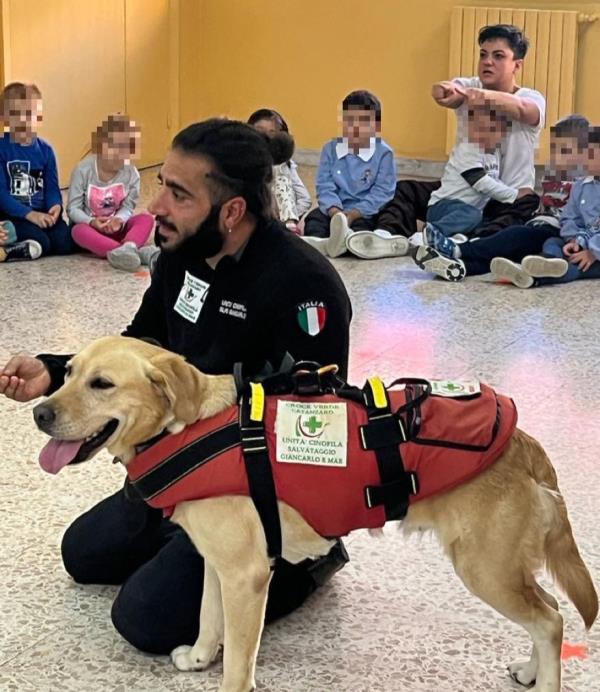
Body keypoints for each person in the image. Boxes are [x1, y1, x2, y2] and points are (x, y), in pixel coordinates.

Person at [0, 118, 352, 656]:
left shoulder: (304, 284)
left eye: (178, 193)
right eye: (161, 183)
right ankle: (182, 534)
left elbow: (318, 420)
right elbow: (141, 343)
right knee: (83, 556)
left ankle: (308, 562)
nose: (156, 206)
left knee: (143, 618)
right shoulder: (179, 254)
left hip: (258, 495)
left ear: (232, 211)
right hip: (180, 467)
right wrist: (55, 369)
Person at [370, 24, 545, 257]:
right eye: (483, 54)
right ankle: (387, 237)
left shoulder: (530, 97)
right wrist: (443, 90)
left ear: (517, 65)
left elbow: (524, 110)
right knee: (404, 189)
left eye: (498, 56)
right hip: (468, 192)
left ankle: (468, 246)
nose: (487, 61)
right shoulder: (469, 86)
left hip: (507, 196)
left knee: (526, 206)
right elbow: (447, 93)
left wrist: (482, 96)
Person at [413, 114, 589, 281]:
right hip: (539, 224)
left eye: (564, 151)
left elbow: (582, 218)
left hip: (556, 232)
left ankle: (457, 249)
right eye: (554, 149)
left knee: (514, 236)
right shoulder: (553, 177)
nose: (556, 157)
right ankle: (460, 267)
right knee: (505, 248)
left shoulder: (585, 184)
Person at [491, 125, 600, 288]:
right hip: (581, 241)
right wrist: (573, 240)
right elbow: (570, 217)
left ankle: (534, 276)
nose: (584, 159)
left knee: (577, 268)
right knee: (553, 242)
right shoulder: (581, 186)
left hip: (596, 252)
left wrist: (593, 252)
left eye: (591, 154)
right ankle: (545, 262)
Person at [302, 90, 402, 258]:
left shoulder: (384, 153)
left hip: (363, 212)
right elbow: (324, 185)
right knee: (314, 220)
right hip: (334, 210)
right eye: (349, 120)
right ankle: (323, 243)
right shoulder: (330, 149)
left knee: (363, 230)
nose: (355, 128)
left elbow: (383, 191)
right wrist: (335, 213)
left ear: (375, 125)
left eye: (363, 122)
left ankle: (348, 243)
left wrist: (353, 214)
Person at [68, 114, 155, 272]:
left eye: (126, 148)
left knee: (146, 219)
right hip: (92, 229)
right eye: (114, 146)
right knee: (77, 231)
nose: (119, 154)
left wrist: (119, 220)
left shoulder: (131, 173)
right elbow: (73, 209)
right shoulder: (83, 170)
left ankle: (128, 247)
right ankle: (127, 252)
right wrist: (91, 222)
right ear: (100, 145)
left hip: (117, 228)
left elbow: (128, 207)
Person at [0, 82, 73, 256]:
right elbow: (1, 194)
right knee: (43, 242)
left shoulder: (46, 150)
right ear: (4, 117)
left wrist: (55, 206)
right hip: (15, 215)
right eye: (17, 114)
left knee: (65, 243)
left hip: (41, 212)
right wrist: (29, 214)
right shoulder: (2, 148)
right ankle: (9, 252)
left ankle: (31, 244)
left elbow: (52, 188)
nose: (25, 120)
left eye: (30, 114)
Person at [248, 108, 311, 231]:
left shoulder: (285, 165)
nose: (265, 138)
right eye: (260, 131)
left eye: (271, 133)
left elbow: (305, 199)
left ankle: (289, 226)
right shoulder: (244, 160)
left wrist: (288, 215)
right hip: (255, 214)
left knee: (278, 171)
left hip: (281, 221)